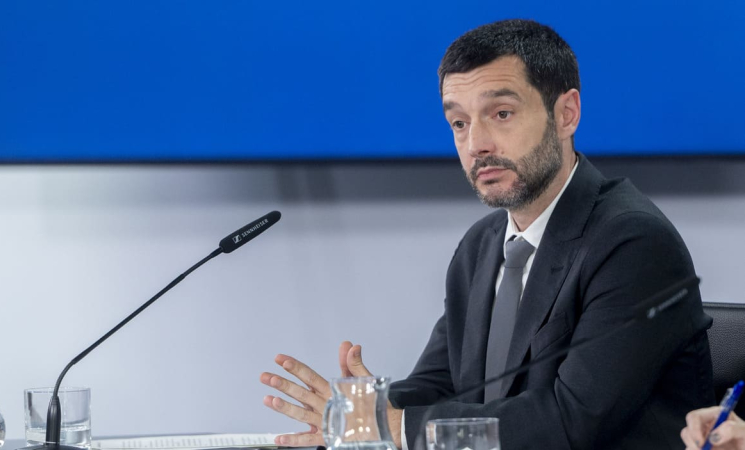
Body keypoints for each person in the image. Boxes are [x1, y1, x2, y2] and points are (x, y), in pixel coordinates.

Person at [260, 19, 715, 449]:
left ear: (566, 115)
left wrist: (395, 427)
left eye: (501, 113)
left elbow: (570, 421)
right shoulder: (482, 245)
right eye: (459, 123)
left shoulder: (632, 242)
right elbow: (445, 386)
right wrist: (361, 413)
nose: (476, 144)